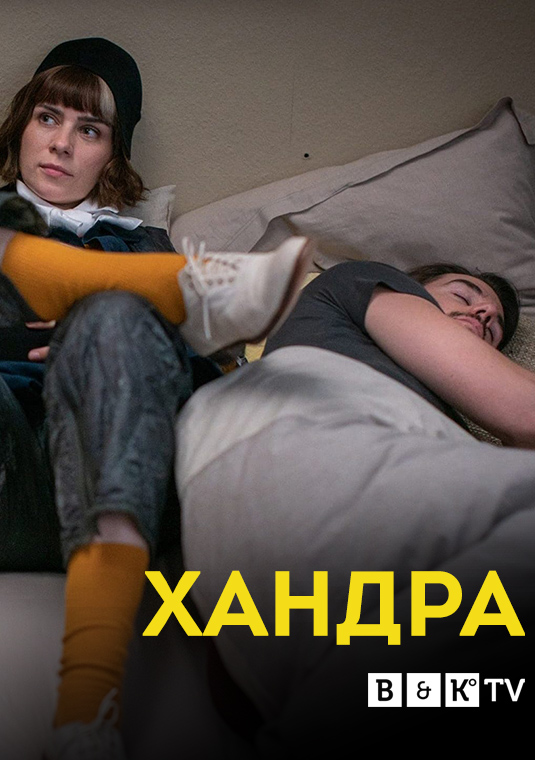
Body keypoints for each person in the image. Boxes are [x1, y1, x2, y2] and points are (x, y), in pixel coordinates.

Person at [0, 37, 312, 760]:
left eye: (90, 130)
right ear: (21, 126)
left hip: (119, 479)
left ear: (112, 155)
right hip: (9, 473)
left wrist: (97, 338)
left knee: (113, 317)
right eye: (48, 118)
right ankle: (189, 295)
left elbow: (193, 397)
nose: (61, 144)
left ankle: (85, 715)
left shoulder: (145, 243)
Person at [172, 258, 535, 755]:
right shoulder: (356, 283)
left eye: (492, 329)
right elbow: (526, 411)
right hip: (307, 435)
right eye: (463, 294)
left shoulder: (452, 442)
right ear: (414, 287)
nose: (483, 314)